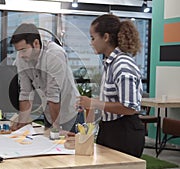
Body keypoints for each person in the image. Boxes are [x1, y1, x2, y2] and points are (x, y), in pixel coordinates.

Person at [77, 14, 145, 157]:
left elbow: (130, 107)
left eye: (93, 38)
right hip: (110, 129)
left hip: (124, 132)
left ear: (106, 37)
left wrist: (95, 103)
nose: (91, 43)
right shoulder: (110, 64)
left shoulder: (122, 64)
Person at [10, 23, 84, 133]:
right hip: (50, 113)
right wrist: (22, 123)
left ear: (36, 43)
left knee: (69, 148)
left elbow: (53, 95)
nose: (20, 55)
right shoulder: (21, 57)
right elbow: (25, 93)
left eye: (24, 50)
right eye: (18, 51)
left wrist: (56, 130)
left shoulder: (54, 54)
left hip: (70, 114)